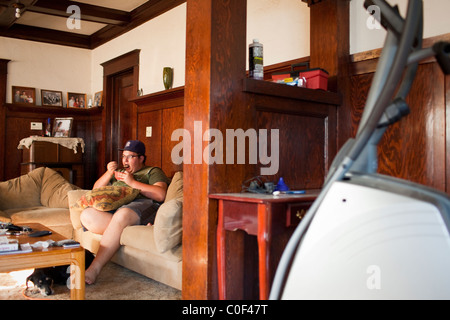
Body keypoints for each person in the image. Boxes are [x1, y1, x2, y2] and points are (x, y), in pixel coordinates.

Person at [80, 140, 170, 284]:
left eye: (130, 156)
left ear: (141, 158)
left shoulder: (153, 171)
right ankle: (121, 228)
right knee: (87, 215)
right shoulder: (120, 172)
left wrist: (132, 182)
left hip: (141, 205)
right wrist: (109, 173)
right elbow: (96, 190)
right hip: (118, 208)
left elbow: (160, 194)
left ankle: (94, 268)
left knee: (122, 215)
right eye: (123, 156)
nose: (125, 160)